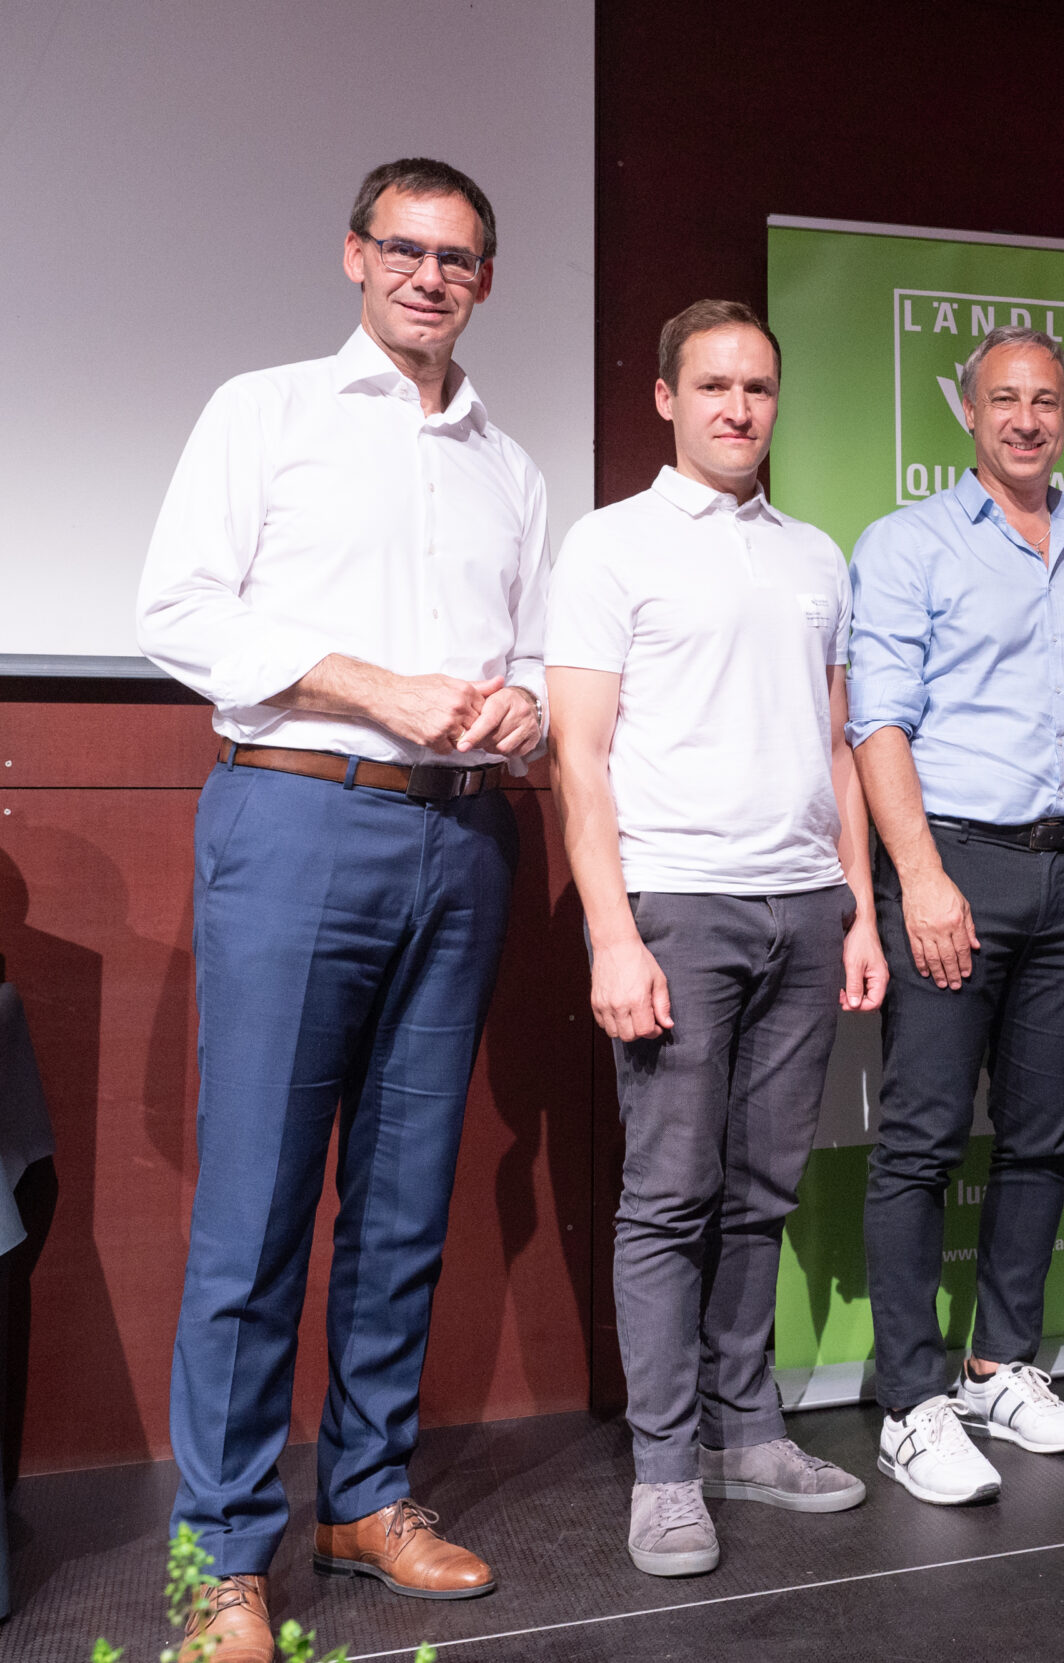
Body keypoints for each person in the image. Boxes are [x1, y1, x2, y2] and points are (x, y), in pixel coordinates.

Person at [135, 158, 544, 1661]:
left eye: (458, 257)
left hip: (464, 835)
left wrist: (523, 715)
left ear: (485, 279)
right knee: (253, 1208)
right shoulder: (266, 412)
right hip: (301, 813)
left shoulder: (512, 466)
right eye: (406, 249)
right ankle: (218, 1557)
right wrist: (369, 684)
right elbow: (178, 610)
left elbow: (533, 659)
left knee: (404, 1194)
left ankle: (364, 1496)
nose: (431, 276)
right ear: (355, 255)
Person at [546, 300, 886, 1577]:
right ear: (665, 398)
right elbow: (578, 757)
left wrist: (857, 907)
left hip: (804, 907)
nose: (739, 408)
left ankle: (748, 1433)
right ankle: (665, 1471)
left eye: (758, 388)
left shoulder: (815, 555)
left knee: (761, 1193)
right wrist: (611, 935)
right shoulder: (609, 544)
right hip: (678, 907)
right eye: (713, 386)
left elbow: (838, 747)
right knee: (668, 1197)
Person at [848, 326, 1064, 1505]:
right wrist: (920, 876)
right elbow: (876, 721)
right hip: (954, 863)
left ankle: (1000, 1365)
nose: (1025, 419)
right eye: (1003, 398)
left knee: (1040, 1134)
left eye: (1046, 400)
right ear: (967, 411)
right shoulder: (907, 544)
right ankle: (909, 1401)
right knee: (920, 1139)